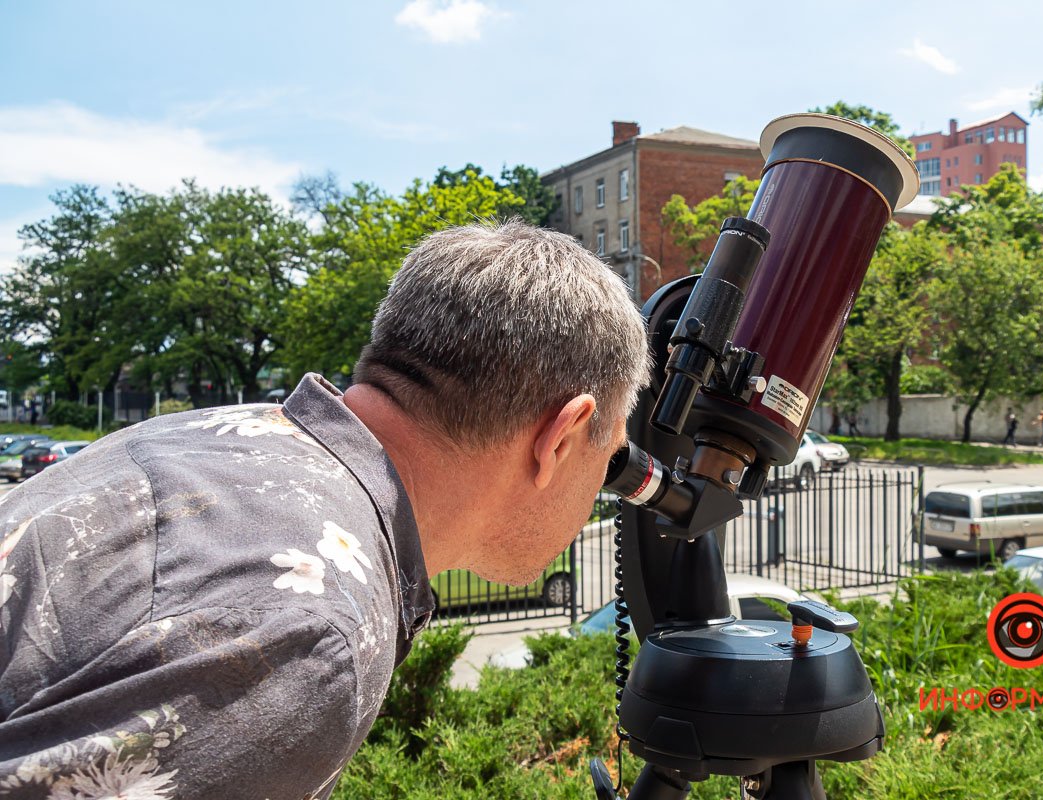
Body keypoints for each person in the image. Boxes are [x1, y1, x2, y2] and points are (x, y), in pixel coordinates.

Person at [0, 221, 651, 798]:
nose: (605, 484)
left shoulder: (202, 440)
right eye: (609, 458)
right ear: (562, 438)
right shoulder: (313, 635)